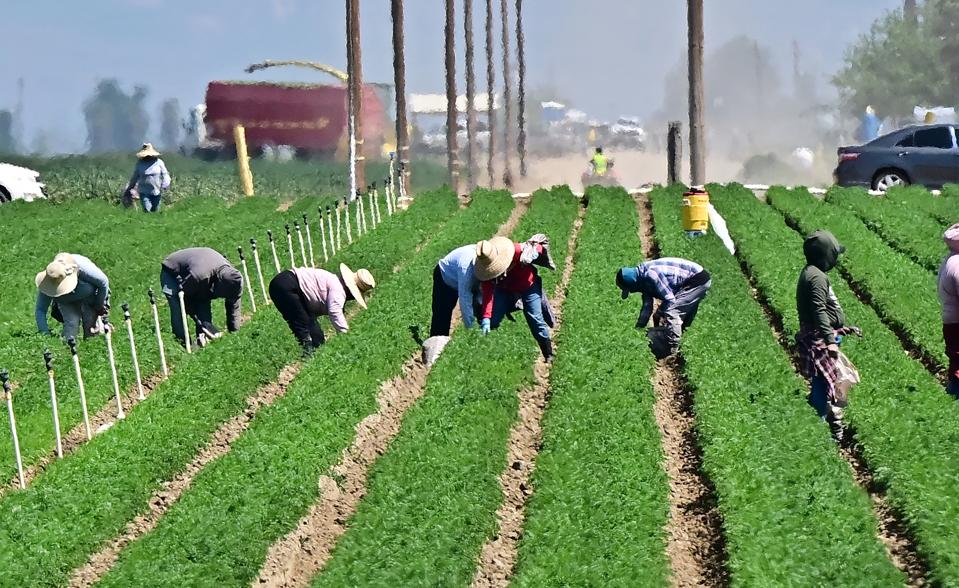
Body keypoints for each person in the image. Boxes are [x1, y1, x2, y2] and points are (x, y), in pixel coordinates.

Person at [795, 230, 860, 433]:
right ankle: (818, 423)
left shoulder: (813, 273)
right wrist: (830, 340)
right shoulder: (817, 278)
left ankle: (825, 416)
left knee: (823, 380)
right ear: (827, 255)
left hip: (820, 334)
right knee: (822, 382)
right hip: (819, 337)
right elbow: (819, 310)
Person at [474, 235, 556, 362]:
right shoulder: (487, 271)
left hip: (528, 286)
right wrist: (486, 317)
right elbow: (488, 294)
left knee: (535, 318)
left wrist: (533, 253)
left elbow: (537, 246)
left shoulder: (515, 250)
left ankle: (548, 353)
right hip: (505, 290)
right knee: (493, 318)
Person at [268, 264, 375, 356]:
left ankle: (313, 353)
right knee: (304, 325)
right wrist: (346, 337)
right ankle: (309, 356)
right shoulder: (339, 290)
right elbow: (335, 311)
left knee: (315, 334)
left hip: (284, 284)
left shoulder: (334, 282)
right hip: (287, 285)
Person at [616, 258, 711, 358]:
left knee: (673, 311)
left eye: (630, 289)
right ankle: (678, 339)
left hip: (697, 279)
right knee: (682, 314)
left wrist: (659, 312)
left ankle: (672, 348)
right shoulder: (642, 279)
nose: (631, 292)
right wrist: (638, 330)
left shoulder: (651, 276)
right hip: (692, 280)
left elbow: (670, 300)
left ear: (633, 283)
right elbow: (646, 308)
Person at [160, 247, 242, 347]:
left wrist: (234, 333)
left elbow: (234, 306)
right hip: (172, 272)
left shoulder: (234, 279)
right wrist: (199, 320)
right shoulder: (200, 275)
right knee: (179, 308)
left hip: (198, 270)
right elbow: (186, 298)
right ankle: (183, 345)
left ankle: (203, 342)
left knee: (203, 306)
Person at [35, 253, 110, 340]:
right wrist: (45, 333)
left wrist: (99, 305)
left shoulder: (83, 268)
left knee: (91, 329)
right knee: (71, 326)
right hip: (65, 302)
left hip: (90, 297)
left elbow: (104, 283)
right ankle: (68, 349)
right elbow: (40, 310)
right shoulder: (50, 280)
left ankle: (93, 344)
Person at [430, 244, 481, 337]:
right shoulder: (466, 269)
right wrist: (471, 331)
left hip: (463, 273)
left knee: (480, 306)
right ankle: (436, 346)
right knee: (442, 315)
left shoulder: (488, 258)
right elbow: (465, 300)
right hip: (445, 277)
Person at [938, 224, 959, 400]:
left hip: (950, 319)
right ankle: (955, 392)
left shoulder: (950, 259)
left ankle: (953, 389)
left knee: (955, 357)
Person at [125, 143, 170, 212]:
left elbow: (165, 174)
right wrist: (130, 187)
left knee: (155, 210)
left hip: (156, 191)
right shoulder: (140, 164)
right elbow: (135, 177)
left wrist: (166, 182)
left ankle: (155, 222)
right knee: (147, 209)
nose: (148, 156)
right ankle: (146, 221)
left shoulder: (159, 162)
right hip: (143, 191)